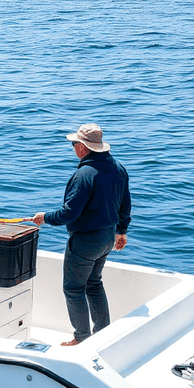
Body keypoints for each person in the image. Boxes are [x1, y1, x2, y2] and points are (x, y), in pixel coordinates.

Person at [31, 124, 131, 347]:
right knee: (94, 283)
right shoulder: (118, 167)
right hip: (107, 239)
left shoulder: (83, 175)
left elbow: (69, 213)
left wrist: (45, 217)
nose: (73, 147)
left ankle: (82, 338)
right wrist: (121, 231)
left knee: (73, 288)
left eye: (74, 144)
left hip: (85, 242)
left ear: (84, 148)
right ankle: (103, 333)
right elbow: (125, 202)